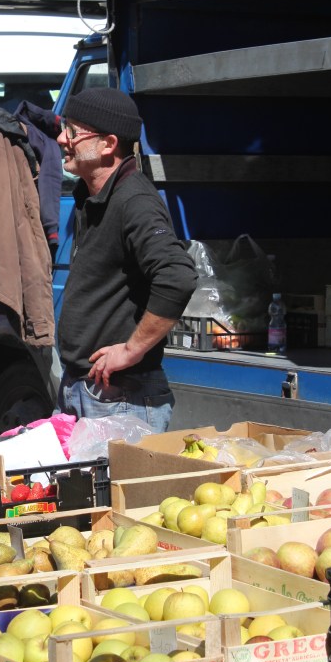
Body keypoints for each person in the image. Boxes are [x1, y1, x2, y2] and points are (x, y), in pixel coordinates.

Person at [56, 87, 198, 431]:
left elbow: (177, 276)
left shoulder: (134, 201)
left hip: (121, 399)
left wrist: (131, 350)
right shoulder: (93, 196)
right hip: (87, 391)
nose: (61, 139)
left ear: (108, 144)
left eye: (72, 131)